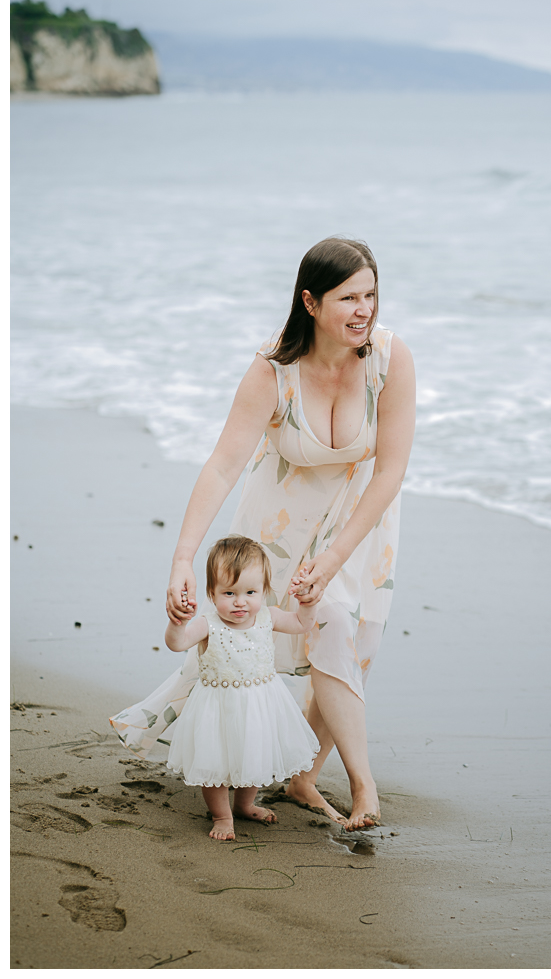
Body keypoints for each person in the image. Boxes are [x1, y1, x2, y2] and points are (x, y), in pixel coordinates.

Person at [111, 237, 415, 832]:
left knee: (344, 638)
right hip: (277, 525)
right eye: (348, 297)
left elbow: (392, 469)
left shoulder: (389, 358)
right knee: (277, 636)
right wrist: (183, 557)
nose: (365, 310)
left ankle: (307, 773)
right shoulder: (272, 369)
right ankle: (362, 786)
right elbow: (224, 463)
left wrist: (334, 555)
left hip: (360, 523)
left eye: (371, 295)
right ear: (310, 301)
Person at [164, 535, 321, 841]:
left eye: (250, 591)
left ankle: (245, 804)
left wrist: (308, 603)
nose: (240, 601)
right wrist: (177, 622)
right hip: (217, 708)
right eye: (229, 592)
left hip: (260, 705)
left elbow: (303, 624)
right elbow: (177, 643)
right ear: (211, 593)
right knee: (216, 763)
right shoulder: (208, 625)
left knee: (255, 754)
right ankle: (222, 815)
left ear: (264, 591)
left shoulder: (268, 617)